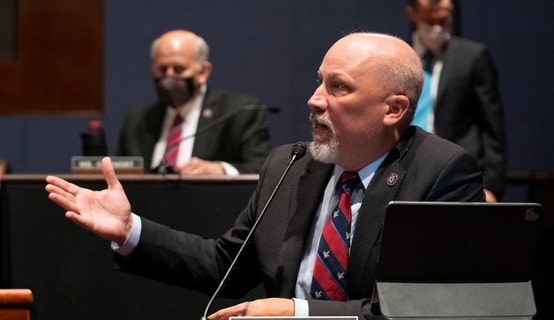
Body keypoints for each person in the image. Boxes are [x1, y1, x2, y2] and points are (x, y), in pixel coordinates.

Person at [45, 32, 485, 320]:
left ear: (393, 109)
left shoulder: (440, 173)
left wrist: (298, 313)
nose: (314, 100)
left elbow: (428, 308)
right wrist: (128, 230)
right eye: (319, 82)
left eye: (339, 87)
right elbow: (225, 265)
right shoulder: (290, 166)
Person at [117, 29, 271, 175]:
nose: (169, 78)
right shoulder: (137, 119)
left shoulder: (238, 111)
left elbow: (262, 168)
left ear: (203, 72)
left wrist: (220, 170)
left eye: (179, 69)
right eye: (162, 69)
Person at [405, 0, 508, 202]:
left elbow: (492, 127)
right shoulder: (397, 56)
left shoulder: (472, 56)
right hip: (406, 169)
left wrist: (491, 187)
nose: (436, 26)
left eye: (443, 19)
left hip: (458, 172)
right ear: (412, 14)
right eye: (430, 18)